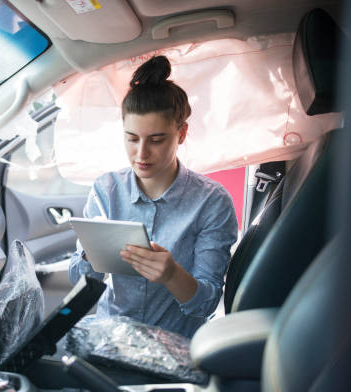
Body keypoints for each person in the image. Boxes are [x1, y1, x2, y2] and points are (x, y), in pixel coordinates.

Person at [68, 55, 238, 338]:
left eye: (156, 140)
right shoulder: (106, 189)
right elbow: (80, 282)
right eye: (132, 138)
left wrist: (172, 275)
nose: (141, 154)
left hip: (173, 346)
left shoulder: (212, 202)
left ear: (181, 133)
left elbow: (206, 305)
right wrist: (90, 251)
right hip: (110, 336)